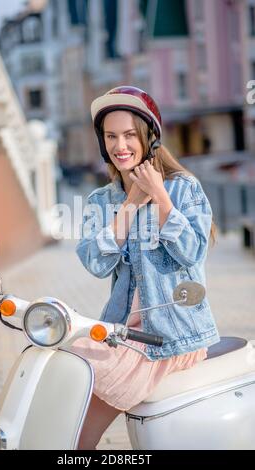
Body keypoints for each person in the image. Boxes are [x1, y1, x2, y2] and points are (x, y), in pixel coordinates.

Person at [71, 86, 220, 450]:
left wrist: (161, 199)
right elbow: (95, 262)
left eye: (129, 135)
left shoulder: (183, 189)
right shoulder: (101, 200)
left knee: (79, 436)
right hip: (124, 330)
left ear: (149, 138)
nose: (120, 145)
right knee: (66, 359)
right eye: (110, 136)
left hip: (173, 336)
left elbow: (192, 252)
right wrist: (130, 207)